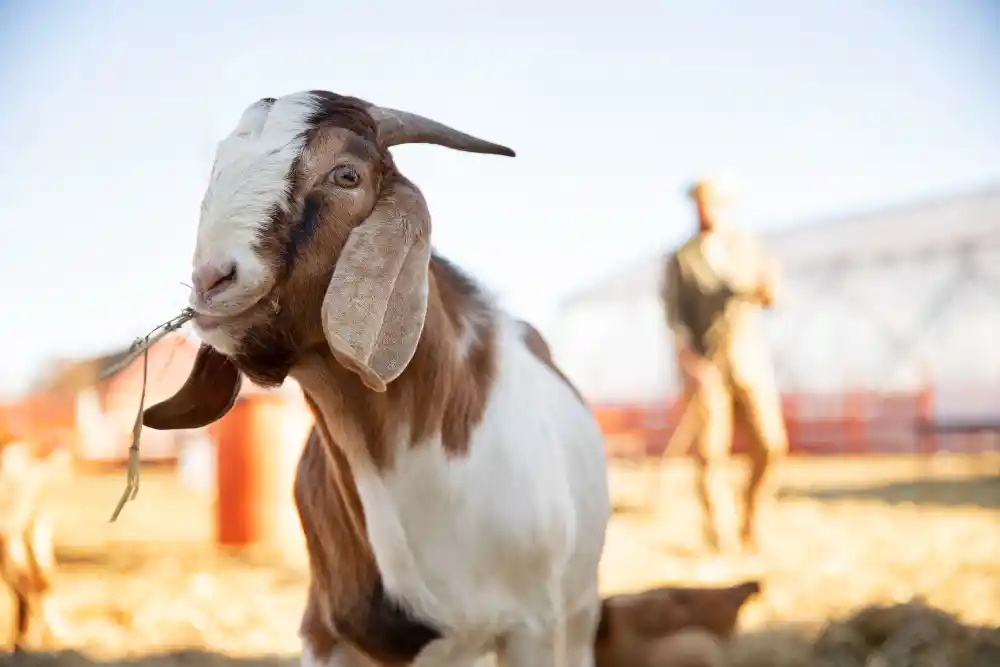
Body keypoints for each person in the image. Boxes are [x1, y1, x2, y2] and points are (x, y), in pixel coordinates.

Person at [659, 177, 788, 555]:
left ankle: (754, 519)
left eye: (713, 202)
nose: (707, 209)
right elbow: (674, 319)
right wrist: (689, 362)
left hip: (748, 360)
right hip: (705, 366)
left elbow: (771, 297)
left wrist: (770, 287)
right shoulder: (681, 259)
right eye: (700, 202)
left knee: (770, 444)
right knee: (711, 453)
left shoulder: (749, 249)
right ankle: (721, 535)